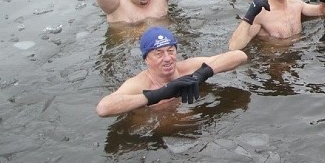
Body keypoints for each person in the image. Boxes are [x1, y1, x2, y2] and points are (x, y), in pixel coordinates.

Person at [96, 26, 247, 117]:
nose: (167, 58)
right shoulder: (139, 84)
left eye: (171, 51)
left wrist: (201, 74)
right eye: (159, 53)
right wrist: (159, 94)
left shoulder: (187, 68)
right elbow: (103, 108)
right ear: (146, 59)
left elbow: (239, 56)